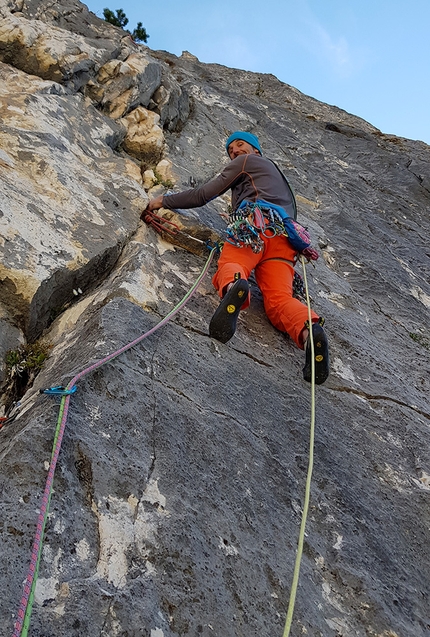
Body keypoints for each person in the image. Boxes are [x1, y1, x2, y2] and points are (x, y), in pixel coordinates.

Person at [146, 131, 329, 384]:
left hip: (254, 227)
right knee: (279, 301)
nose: (234, 151)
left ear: (256, 150)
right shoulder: (279, 180)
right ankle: (310, 331)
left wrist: (162, 200)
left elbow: (202, 195)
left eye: (240, 144)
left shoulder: (246, 163)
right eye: (230, 149)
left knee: (233, 263)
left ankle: (234, 285)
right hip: (284, 243)